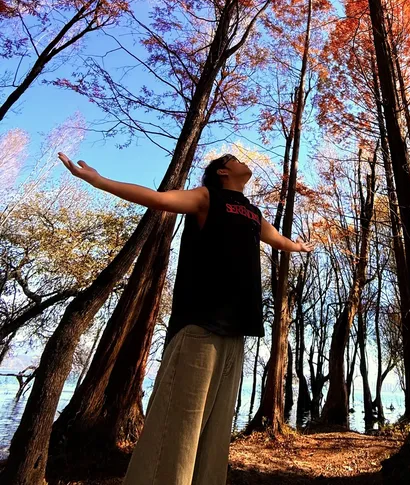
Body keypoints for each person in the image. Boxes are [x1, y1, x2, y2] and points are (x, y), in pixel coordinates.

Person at [58, 150, 313, 485]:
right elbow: (158, 199)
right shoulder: (207, 197)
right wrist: (100, 181)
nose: (242, 162)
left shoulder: (253, 212)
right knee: (178, 430)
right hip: (200, 328)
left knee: (214, 436)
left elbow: (276, 239)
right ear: (222, 172)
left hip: (237, 332)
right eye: (234, 159)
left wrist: (298, 247)